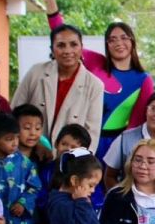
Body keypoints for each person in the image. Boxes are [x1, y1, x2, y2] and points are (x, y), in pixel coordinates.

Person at [39, 0, 155, 159]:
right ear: (107, 44)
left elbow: (137, 123)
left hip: (117, 145)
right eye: (112, 39)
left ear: (132, 42)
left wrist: (128, 152)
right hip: (81, 139)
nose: (119, 43)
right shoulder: (95, 62)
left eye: (124, 37)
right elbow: (65, 38)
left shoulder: (143, 79)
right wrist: (50, 1)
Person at [13, 24, 106, 153]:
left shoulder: (94, 85)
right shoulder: (36, 72)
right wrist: (36, 143)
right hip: (29, 154)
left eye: (73, 44)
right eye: (61, 45)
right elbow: (15, 113)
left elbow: (92, 134)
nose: (68, 51)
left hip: (68, 160)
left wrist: (79, 165)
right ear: (52, 49)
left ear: (82, 48)